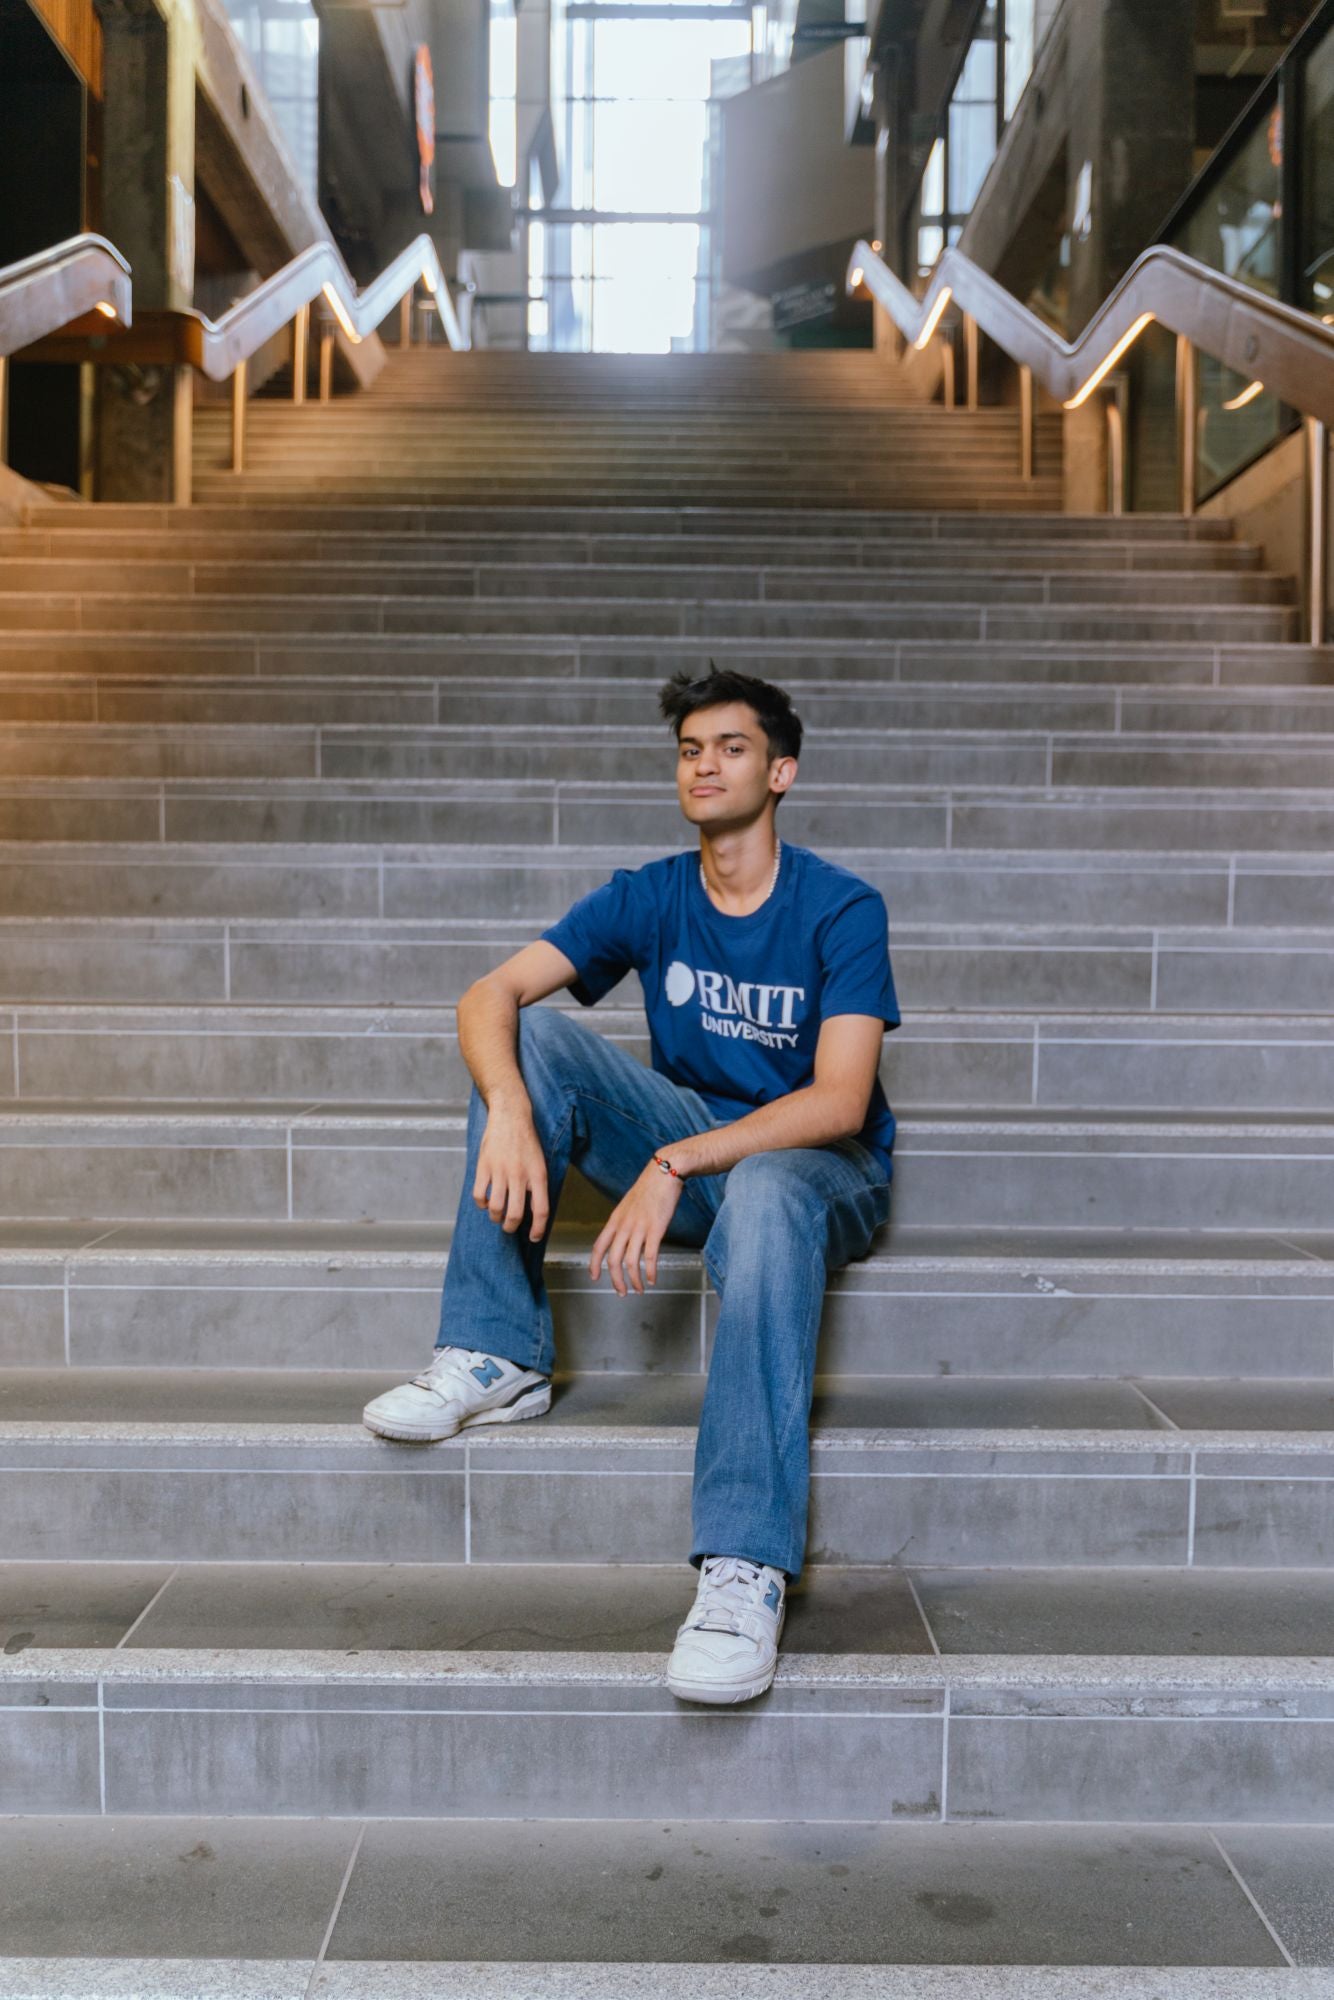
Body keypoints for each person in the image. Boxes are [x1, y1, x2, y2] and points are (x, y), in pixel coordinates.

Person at [364, 665, 900, 1703]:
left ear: (780, 770)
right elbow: (490, 992)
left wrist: (673, 1161)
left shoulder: (840, 907)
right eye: (690, 749)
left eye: (731, 747)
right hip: (698, 1146)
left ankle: (744, 1568)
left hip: (817, 1171)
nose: (704, 764)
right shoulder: (651, 892)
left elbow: (838, 1100)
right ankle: (493, 1350)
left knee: (772, 1191)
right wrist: (513, 1109)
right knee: (528, 1041)